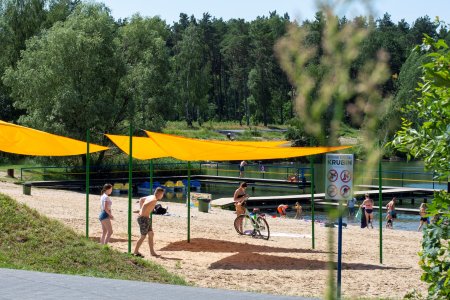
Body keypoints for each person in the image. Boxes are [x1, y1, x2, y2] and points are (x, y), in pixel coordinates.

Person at [133, 187, 165, 258]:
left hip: (146, 218)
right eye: (162, 194)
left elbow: (141, 199)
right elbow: (145, 205)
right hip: (143, 219)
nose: (163, 195)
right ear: (159, 194)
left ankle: (152, 252)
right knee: (143, 236)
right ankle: (135, 251)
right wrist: (142, 212)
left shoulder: (152, 196)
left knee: (151, 234)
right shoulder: (153, 199)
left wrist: (141, 210)